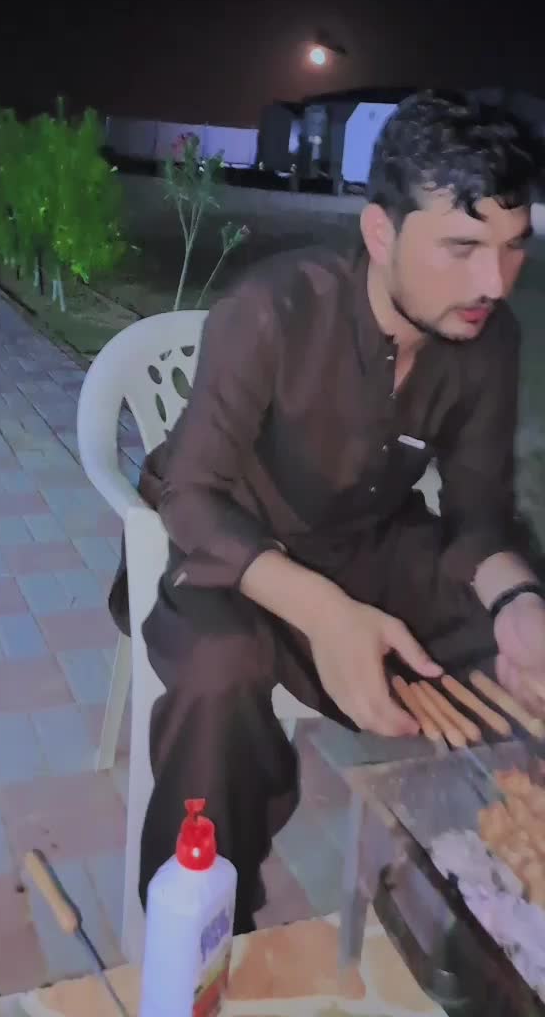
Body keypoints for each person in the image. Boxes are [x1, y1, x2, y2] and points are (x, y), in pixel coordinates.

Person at [113, 90, 545, 934]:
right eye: (462, 248)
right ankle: (192, 943)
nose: (493, 283)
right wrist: (327, 615)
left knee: (515, 643)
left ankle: (488, 889)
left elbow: (479, 517)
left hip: (362, 542)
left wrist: (518, 602)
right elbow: (189, 495)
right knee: (220, 672)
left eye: (513, 247)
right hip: (232, 549)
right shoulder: (274, 308)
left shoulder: (487, 342)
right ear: (381, 234)